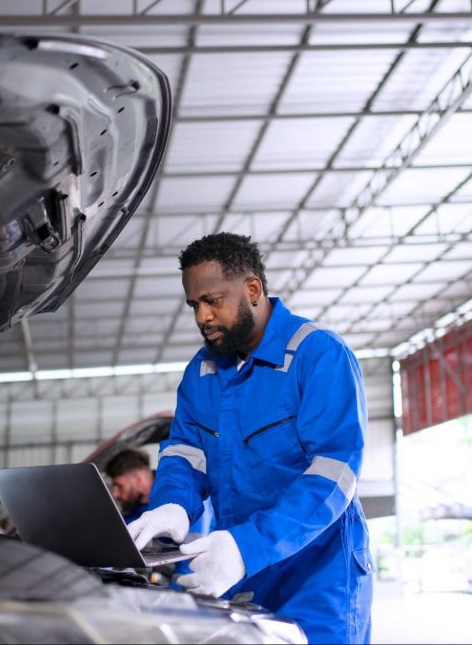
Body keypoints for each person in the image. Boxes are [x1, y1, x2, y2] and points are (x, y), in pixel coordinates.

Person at [126, 232, 373, 644]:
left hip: (320, 576)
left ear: (253, 290)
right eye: (194, 305)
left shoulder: (318, 355)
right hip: (243, 569)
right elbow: (185, 453)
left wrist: (247, 547)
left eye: (212, 301)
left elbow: (335, 473)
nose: (202, 316)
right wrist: (172, 503)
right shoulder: (201, 373)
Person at [104, 448, 154, 524]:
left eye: (119, 486)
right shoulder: (127, 521)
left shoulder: (171, 507)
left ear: (138, 480)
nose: (115, 494)